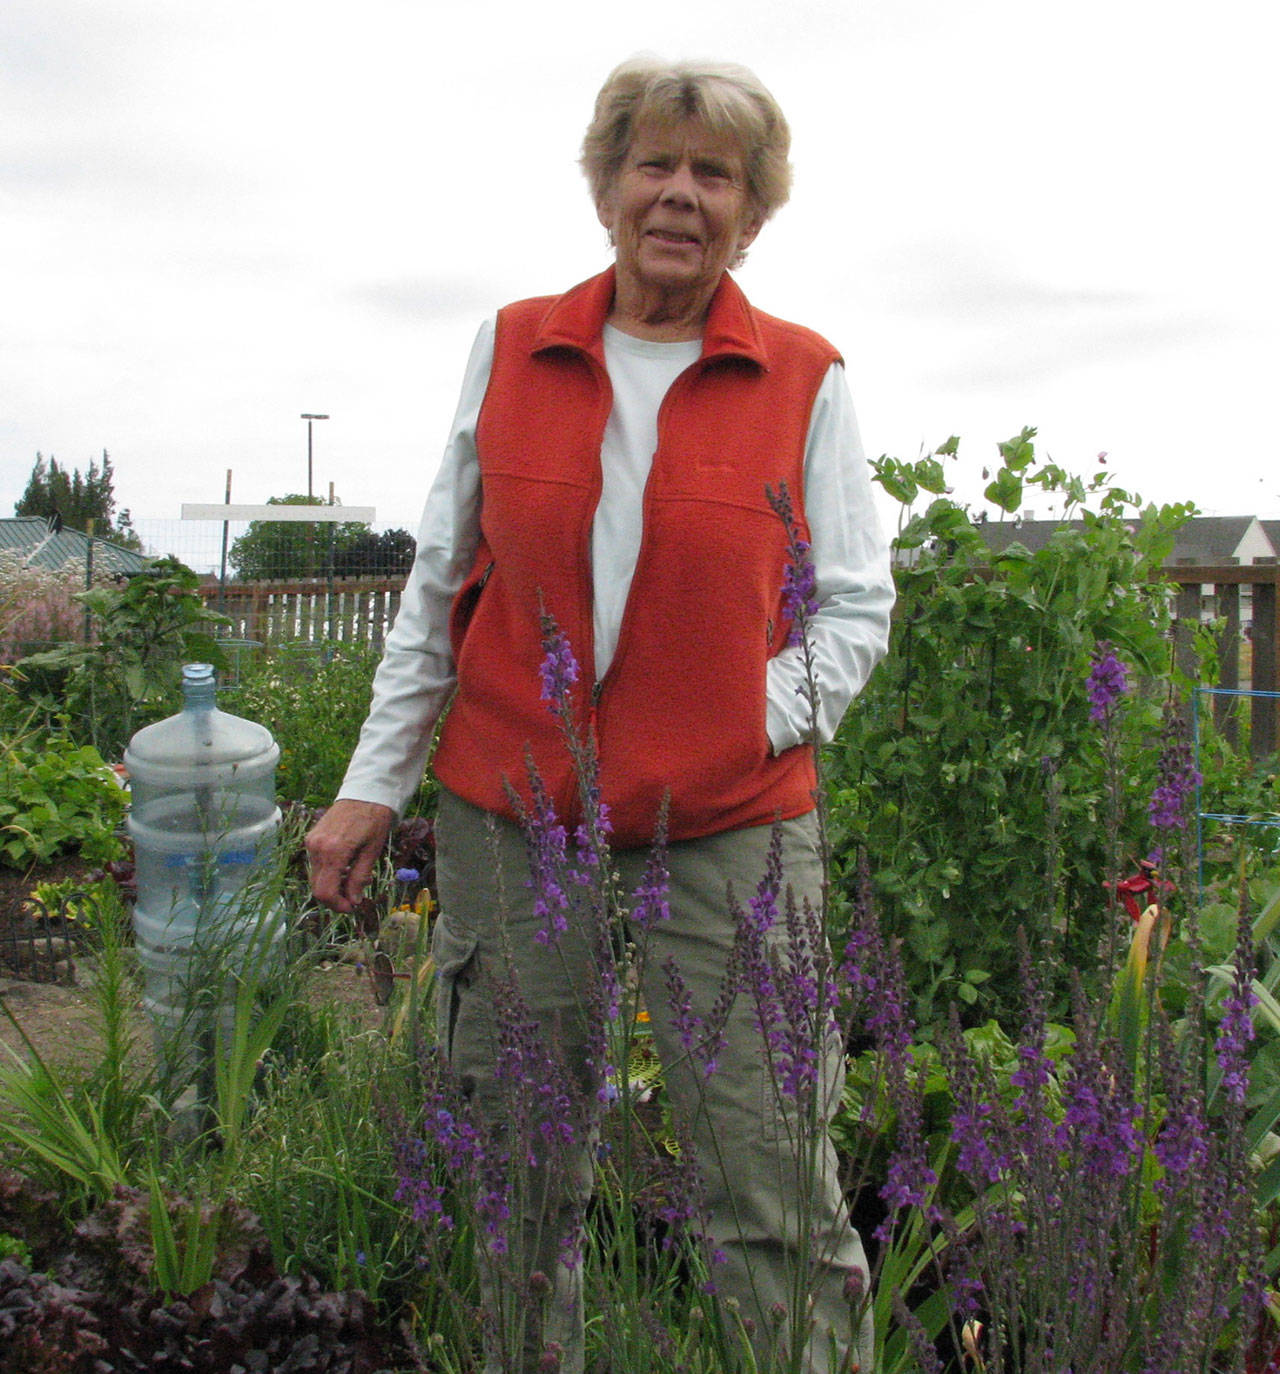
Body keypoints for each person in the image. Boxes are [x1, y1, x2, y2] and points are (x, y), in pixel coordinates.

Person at [306, 56, 895, 1374]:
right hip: (517, 813)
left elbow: (857, 606)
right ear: (608, 185)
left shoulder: (803, 376)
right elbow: (441, 584)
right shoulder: (516, 346)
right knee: (514, 1169)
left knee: (767, 1175)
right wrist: (368, 784)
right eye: (655, 163)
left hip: (730, 826)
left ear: (753, 211)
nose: (680, 193)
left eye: (715, 174)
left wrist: (746, 717)